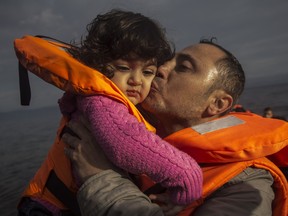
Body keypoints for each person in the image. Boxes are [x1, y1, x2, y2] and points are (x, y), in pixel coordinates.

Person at [63, 40, 288, 216]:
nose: (161, 68)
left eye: (184, 67)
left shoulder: (247, 187)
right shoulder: (120, 122)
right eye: (168, 60)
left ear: (217, 104)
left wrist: (101, 177)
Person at [17, 10, 203, 216]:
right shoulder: (102, 102)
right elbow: (125, 143)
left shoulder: (107, 98)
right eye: (123, 67)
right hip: (49, 208)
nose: (136, 80)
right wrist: (187, 176)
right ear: (98, 66)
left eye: (148, 72)